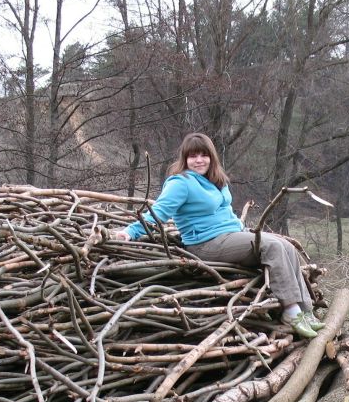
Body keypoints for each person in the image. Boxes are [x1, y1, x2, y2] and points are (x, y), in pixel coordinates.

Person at [113, 133, 325, 338]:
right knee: (273, 247)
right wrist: (130, 232)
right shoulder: (181, 182)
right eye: (192, 156)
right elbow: (158, 212)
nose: (198, 160)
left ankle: (306, 309)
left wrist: (242, 231)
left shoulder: (215, 180)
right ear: (185, 159)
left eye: (203, 155)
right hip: (206, 244)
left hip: (231, 236)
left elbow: (225, 212)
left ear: (211, 157)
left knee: (285, 245)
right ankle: (290, 311)